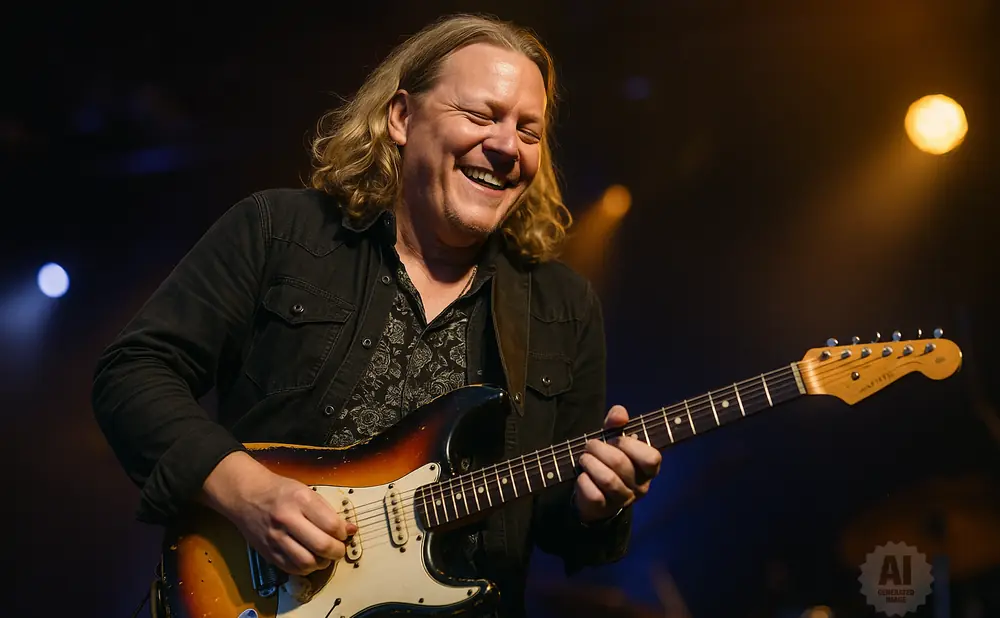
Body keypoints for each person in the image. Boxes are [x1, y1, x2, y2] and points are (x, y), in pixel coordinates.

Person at [92, 13, 662, 617]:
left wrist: (598, 503)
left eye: (529, 130)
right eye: (481, 115)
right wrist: (247, 491)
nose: (505, 146)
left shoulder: (563, 307)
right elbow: (133, 372)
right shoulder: (279, 232)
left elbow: (559, 530)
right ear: (400, 117)